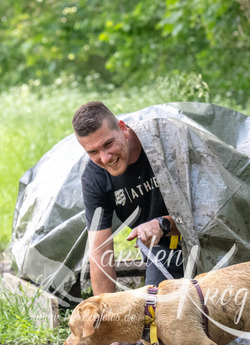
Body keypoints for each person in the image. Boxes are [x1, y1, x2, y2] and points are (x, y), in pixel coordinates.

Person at [73, 101, 184, 295]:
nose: (105, 158)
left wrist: (162, 224)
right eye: (93, 152)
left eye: (108, 144)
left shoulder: (165, 143)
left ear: (123, 129)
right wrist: (104, 308)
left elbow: (211, 213)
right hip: (164, 248)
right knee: (156, 305)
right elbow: (99, 251)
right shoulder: (95, 178)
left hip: (210, 238)